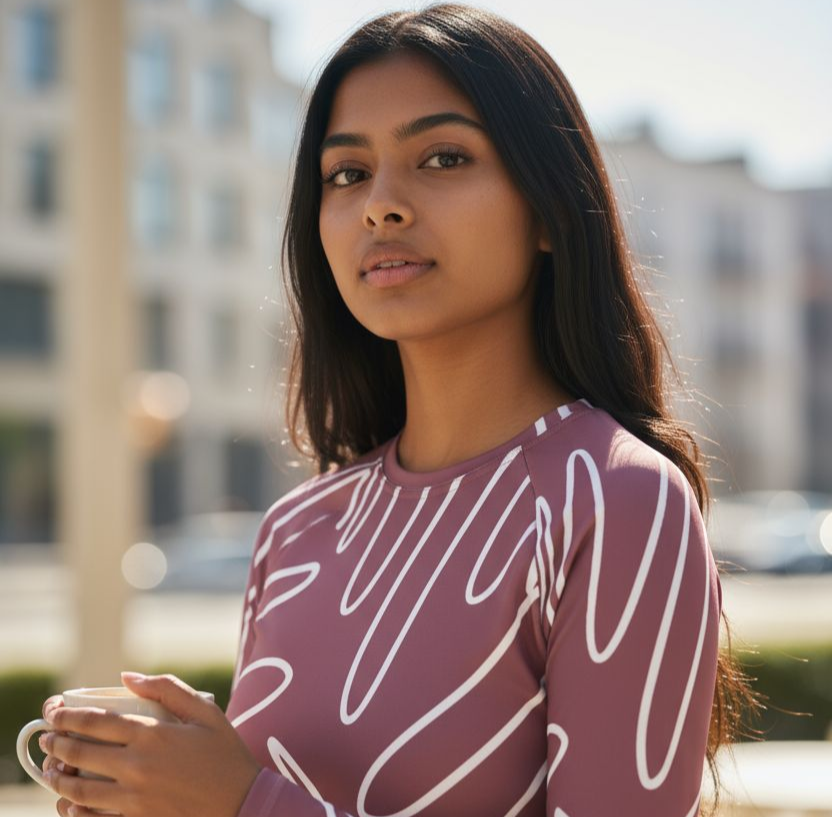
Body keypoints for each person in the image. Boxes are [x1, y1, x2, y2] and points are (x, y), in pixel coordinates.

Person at [39, 4, 761, 816]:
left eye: (442, 157)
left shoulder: (617, 501)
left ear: (553, 212)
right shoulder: (297, 531)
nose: (380, 203)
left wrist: (241, 804)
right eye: (346, 173)